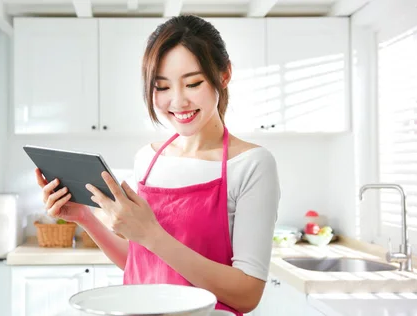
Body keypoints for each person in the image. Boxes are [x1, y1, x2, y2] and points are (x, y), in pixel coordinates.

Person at [35, 15, 280, 315]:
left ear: (224, 74)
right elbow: (142, 263)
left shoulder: (252, 165)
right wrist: (86, 218)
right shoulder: (147, 160)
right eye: (162, 87)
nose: (178, 101)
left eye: (193, 83)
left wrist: (151, 234)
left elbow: (246, 295)